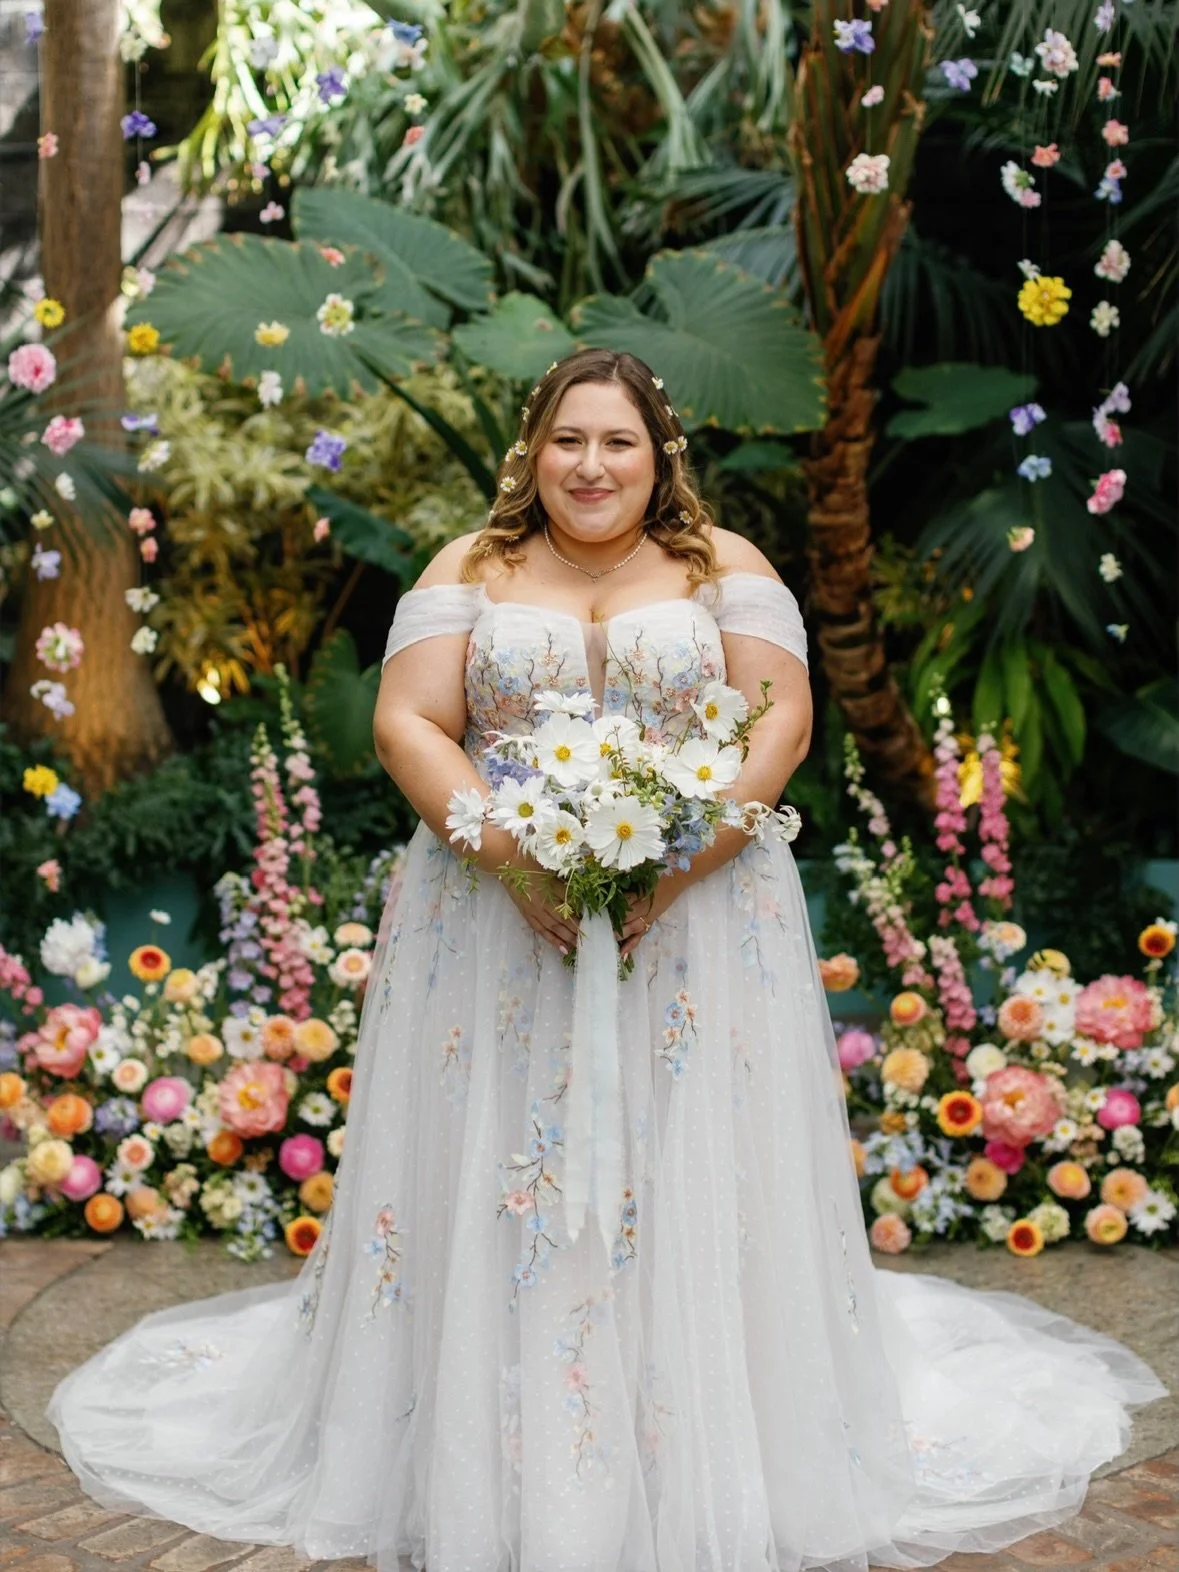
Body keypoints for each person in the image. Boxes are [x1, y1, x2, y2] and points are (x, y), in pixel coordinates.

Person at [47, 348, 1165, 1572]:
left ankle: (693, 1438)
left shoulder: (723, 568)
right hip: (494, 918)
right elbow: (408, 720)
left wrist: (675, 863)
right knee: (507, 1166)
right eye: (568, 439)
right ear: (534, 450)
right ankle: (493, 1447)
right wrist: (517, 861)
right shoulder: (465, 569)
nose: (591, 465)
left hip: (696, 919)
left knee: (687, 1161)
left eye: (618, 441)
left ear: (660, 453)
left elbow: (780, 717)